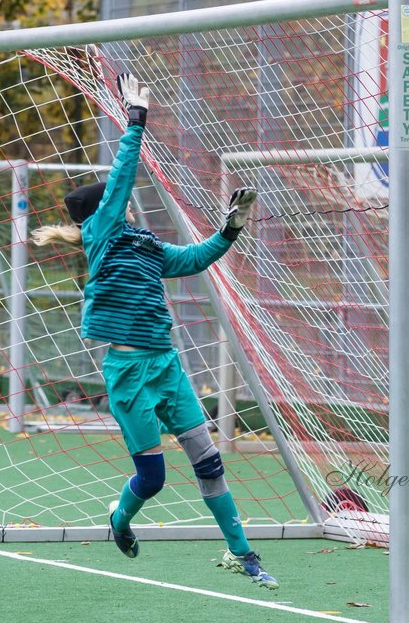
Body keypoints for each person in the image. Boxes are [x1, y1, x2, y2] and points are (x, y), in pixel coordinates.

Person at [31, 73, 278, 589]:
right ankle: (119, 519)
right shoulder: (102, 235)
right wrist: (135, 119)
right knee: (153, 478)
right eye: (113, 202)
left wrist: (229, 230)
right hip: (128, 373)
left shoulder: (142, 244)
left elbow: (192, 259)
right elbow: (120, 179)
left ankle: (244, 554)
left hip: (166, 365)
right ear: (97, 215)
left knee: (209, 464)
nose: (122, 203)